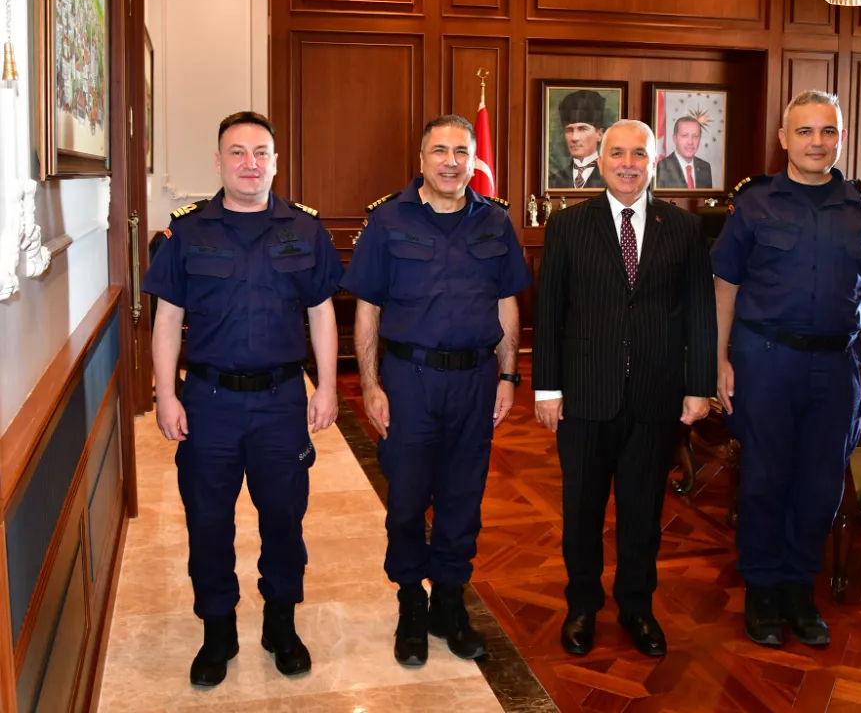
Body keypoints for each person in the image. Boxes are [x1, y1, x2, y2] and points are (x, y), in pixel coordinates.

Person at [142, 110, 343, 687]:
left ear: (276, 161)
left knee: (284, 518)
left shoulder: (305, 231)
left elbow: (322, 313)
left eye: (261, 153)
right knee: (208, 521)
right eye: (237, 152)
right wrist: (164, 394)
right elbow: (166, 319)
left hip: (281, 401)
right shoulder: (187, 232)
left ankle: (280, 623)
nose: (250, 163)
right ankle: (218, 629)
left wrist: (326, 386)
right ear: (219, 161)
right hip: (208, 402)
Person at [711, 90, 861, 648]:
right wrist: (718, 359)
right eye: (805, 132)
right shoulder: (755, 202)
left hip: (838, 365)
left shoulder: (860, 205)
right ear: (784, 138)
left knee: (821, 486)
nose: (817, 143)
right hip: (766, 360)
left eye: (828, 132)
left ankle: (799, 589)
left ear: (840, 137)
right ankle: (763, 591)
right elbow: (726, 285)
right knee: (766, 479)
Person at [340, 114, 532, 667]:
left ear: (474, 161)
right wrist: (370, 385)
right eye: (440, 150)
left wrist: (508, 375)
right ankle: (410, 605)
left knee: (462, 499)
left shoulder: (495, 223)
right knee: (404, 501)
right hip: (409, 382)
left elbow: (507, 302)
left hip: (474, 381)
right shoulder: (387, 221)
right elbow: (367, 309)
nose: (452, 161)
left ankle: (449, 603)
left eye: (462, 152)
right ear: (421, 159)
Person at [533, 119, 717, 657]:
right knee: (582, 513)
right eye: (618, 153)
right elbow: (549, 316)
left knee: (642, 515)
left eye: (639, 153)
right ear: (600, 157)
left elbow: (700, 314)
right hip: (585, 397)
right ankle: (583, 607)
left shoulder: (682, 228)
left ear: (655, 161)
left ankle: (637, 607)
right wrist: (547, 390)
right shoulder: (568, 225)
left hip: (656, 398)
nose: (628, 163)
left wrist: (699, 385)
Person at [550, 90, 608, 190]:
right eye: (569, 130)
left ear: (599, 134)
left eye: (582, 129)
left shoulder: (610, 178)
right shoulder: (553, 181)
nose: (574, 138)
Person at [656, 117, 714, 189]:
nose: (690, 142)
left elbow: (708, 199)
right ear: (675, 139)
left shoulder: (705, 167)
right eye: (685, 136)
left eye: (695, 136)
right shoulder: (661, 168)